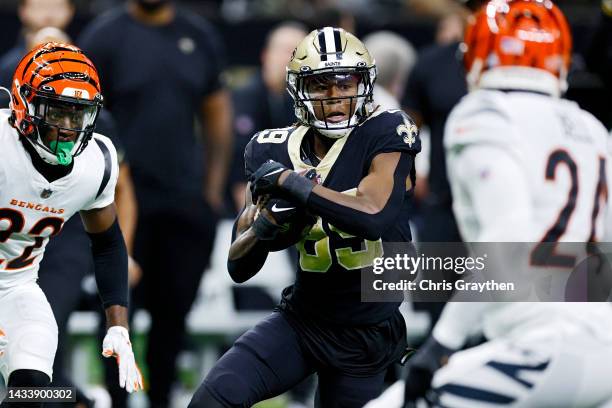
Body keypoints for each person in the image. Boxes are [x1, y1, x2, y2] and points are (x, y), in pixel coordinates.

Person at [365, 1, 612, 407]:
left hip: (542, 344)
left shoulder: (486, 114)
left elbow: (507, 240)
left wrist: (441, 343)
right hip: (599, 339)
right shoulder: (590, 127)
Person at [188, 27, 421, 407]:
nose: (336, 98)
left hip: (366, 332)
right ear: (299, 90)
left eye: (346, 85)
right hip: (302, 319)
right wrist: (267, 227)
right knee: (212, 401)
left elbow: (373, 213)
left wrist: (293, 186)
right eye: (321, 86)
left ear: (365, 85)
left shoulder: (386, 131)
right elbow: (238, 264)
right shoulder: (271, 148)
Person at [78, 0, 233, 405]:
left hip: (184, 202)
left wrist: (212, 190)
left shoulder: (198, 36)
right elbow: (82, 116)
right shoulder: (104, 36)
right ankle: (115, 400)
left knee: (174, 318)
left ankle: (163, 400)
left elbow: (217, 112)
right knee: (114, 313)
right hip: (121, 202)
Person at [0, 42, 142, 406]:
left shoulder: (97, 163)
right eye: (56, 112)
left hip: (16, 290)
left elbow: (107, 242)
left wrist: (118, 324)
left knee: (32, 393)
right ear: (24, 104)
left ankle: (76, 397)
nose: (66, 127)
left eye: (76, 115)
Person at [229, 21, 308, 212]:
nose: (290, 59)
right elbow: (238, 171)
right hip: (240, 209)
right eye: (284, 50)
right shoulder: (244, 97)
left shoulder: (302, 103)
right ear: (266, 55)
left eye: (298, 54)